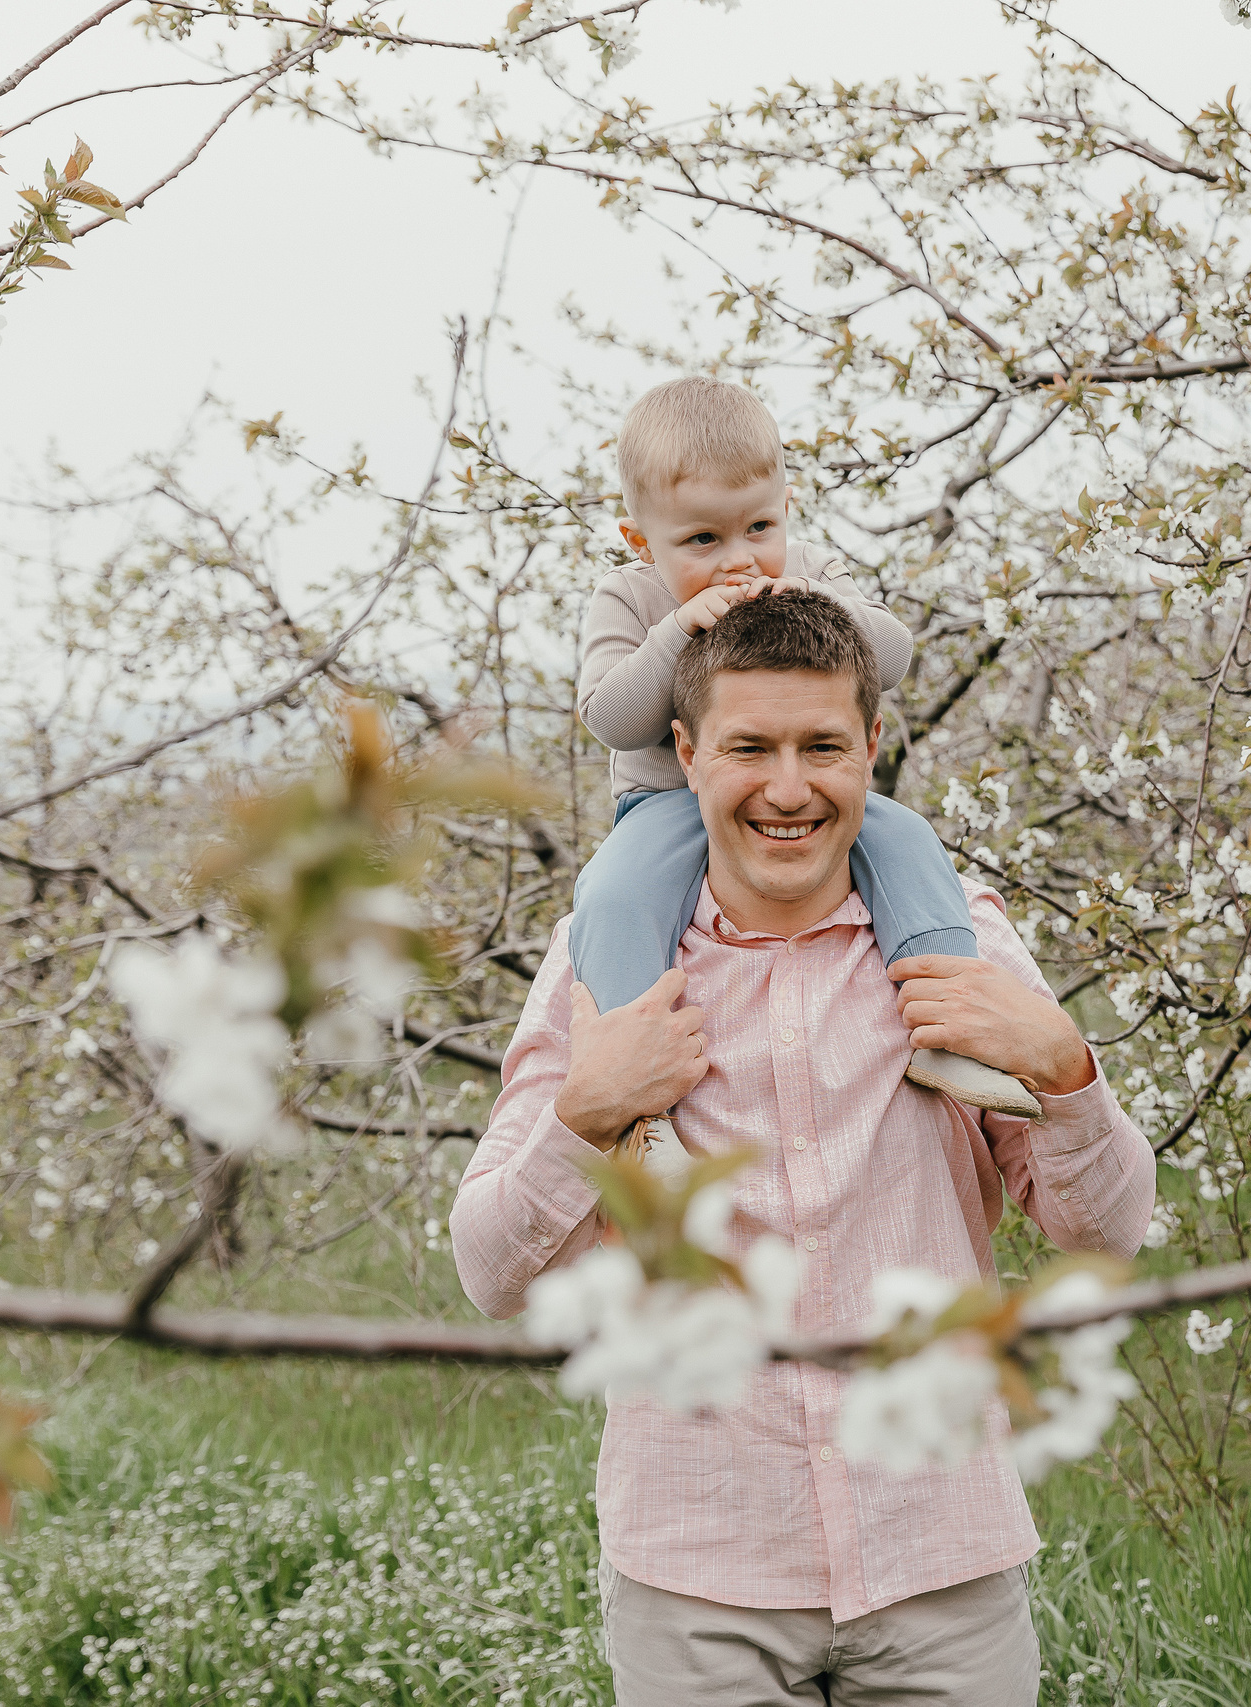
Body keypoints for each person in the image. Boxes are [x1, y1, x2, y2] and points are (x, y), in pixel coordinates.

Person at [452, 589, 1156, 1705]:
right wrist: (581, 1118)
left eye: (822, 746)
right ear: (685, 755)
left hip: (941, 1559)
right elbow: (489, 1275)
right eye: (750, 748)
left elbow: (1105, 1234)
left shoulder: (958, 944)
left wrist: (1069, 1074)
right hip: (699, 1577)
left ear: (872, 747)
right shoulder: (605, 967)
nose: (788, 788)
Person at [572, 374, 1037, 1161]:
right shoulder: (629, 597)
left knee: (909, 842)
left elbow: (891, 656)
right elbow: (611, 719)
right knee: (614, 894)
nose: (739, 560)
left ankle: (952, 1023)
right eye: (702, 541)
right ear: (641, 540)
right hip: (666, 804)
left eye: (759, 526)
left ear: (786, 507)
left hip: (809, 799)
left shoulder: (809, 565)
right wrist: (675, 632)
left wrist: (821, 598)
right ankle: (641, 1112)